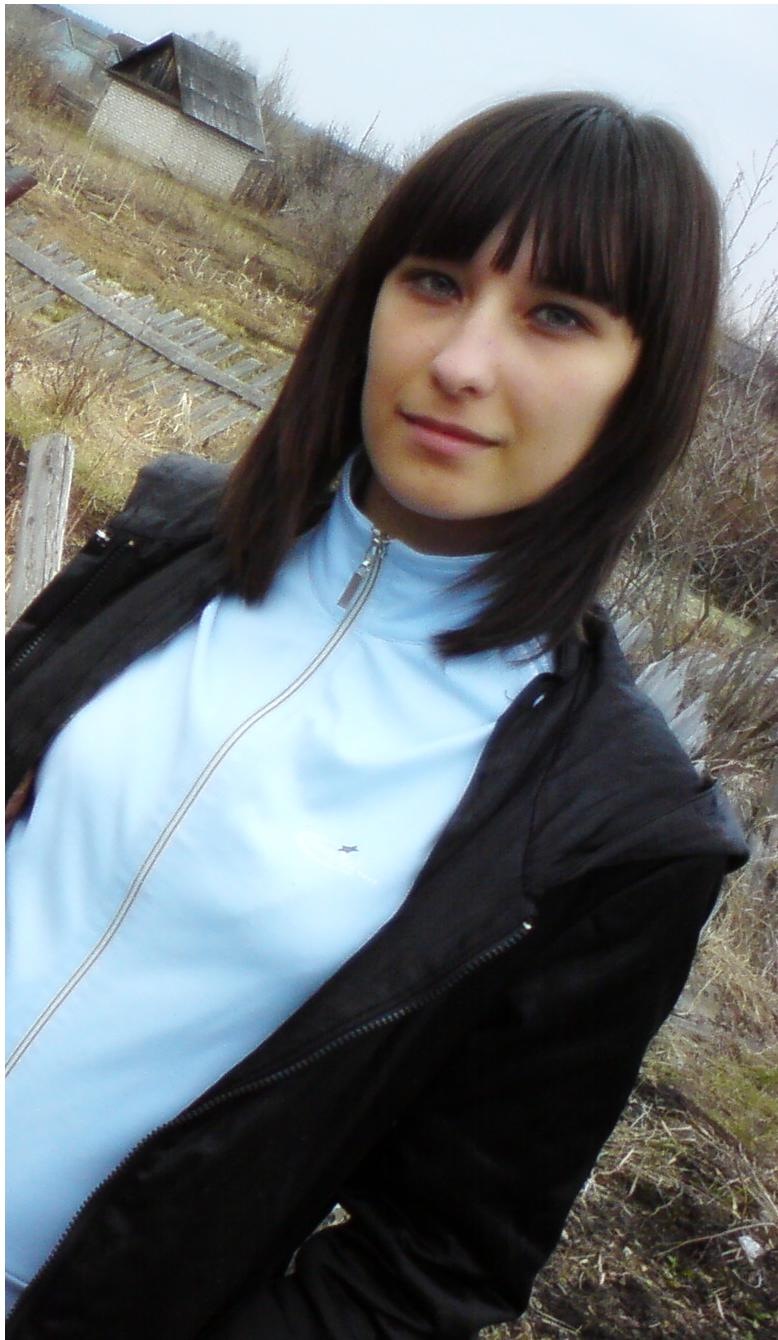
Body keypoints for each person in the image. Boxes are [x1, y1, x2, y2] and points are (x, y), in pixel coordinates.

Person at [5, 92, 748, 1339]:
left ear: (644, 380)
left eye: (556, 315)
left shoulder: (614, 828)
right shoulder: (176, 534)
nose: (459, 360)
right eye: (437, 281)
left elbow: (431, 1261)